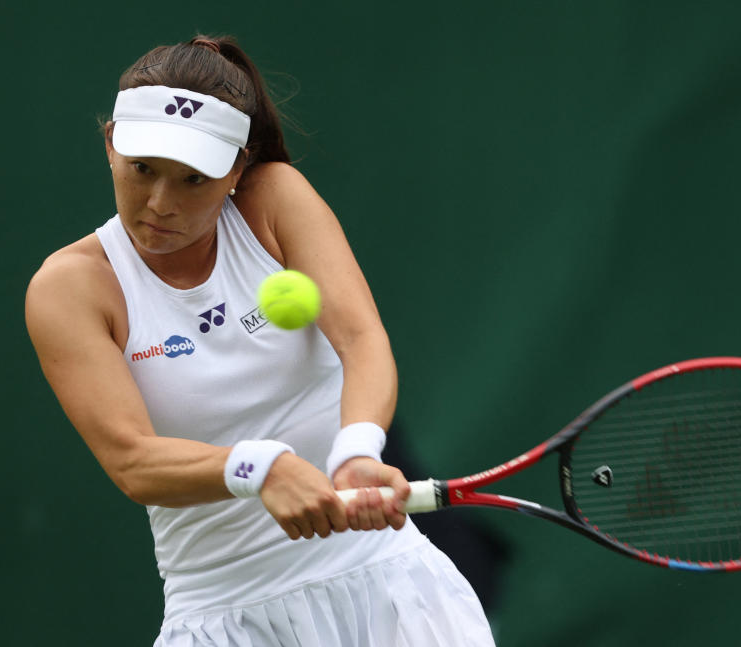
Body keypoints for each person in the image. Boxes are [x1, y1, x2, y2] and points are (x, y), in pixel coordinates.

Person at [25, 35, 496, 646]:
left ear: (237, 169)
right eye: (143, 170)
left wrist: (357, 450)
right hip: (226, 619)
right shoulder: (70, 288)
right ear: (112, 141)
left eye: (194, 179)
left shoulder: (274, 199)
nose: (161, 205)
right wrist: (260, 467)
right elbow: (132, 460)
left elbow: (360, 339)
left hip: (390, 590)